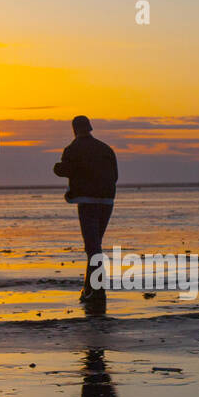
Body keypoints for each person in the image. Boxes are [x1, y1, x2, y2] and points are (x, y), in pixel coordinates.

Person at [53, 115, 118, 301]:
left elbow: (67, 170)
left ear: (74, 129)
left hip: (87, 201)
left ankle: (97, 290)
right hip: (107, 200)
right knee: (94, 246)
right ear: (90, 127)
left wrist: (57, 169)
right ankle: (89, 289)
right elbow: (115, 176)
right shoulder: (105, 149)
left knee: (93, 248)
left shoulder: (73, 149)